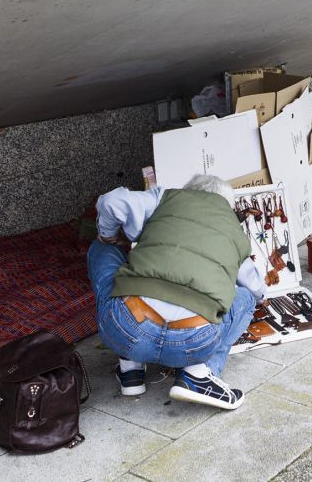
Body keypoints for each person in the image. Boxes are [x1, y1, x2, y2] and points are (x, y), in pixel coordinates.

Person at [87, 174, 265, 410]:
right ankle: (200, 373)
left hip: (127, 331)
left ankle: (130, 369)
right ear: (226, 205)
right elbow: (254, 286)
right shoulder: (235, 233)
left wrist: (107, 235)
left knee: (101, 249)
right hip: (193, 344)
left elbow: (111, 201)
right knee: (245, 298)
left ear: (189, 191)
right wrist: (260, 297)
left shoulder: (165, 198)